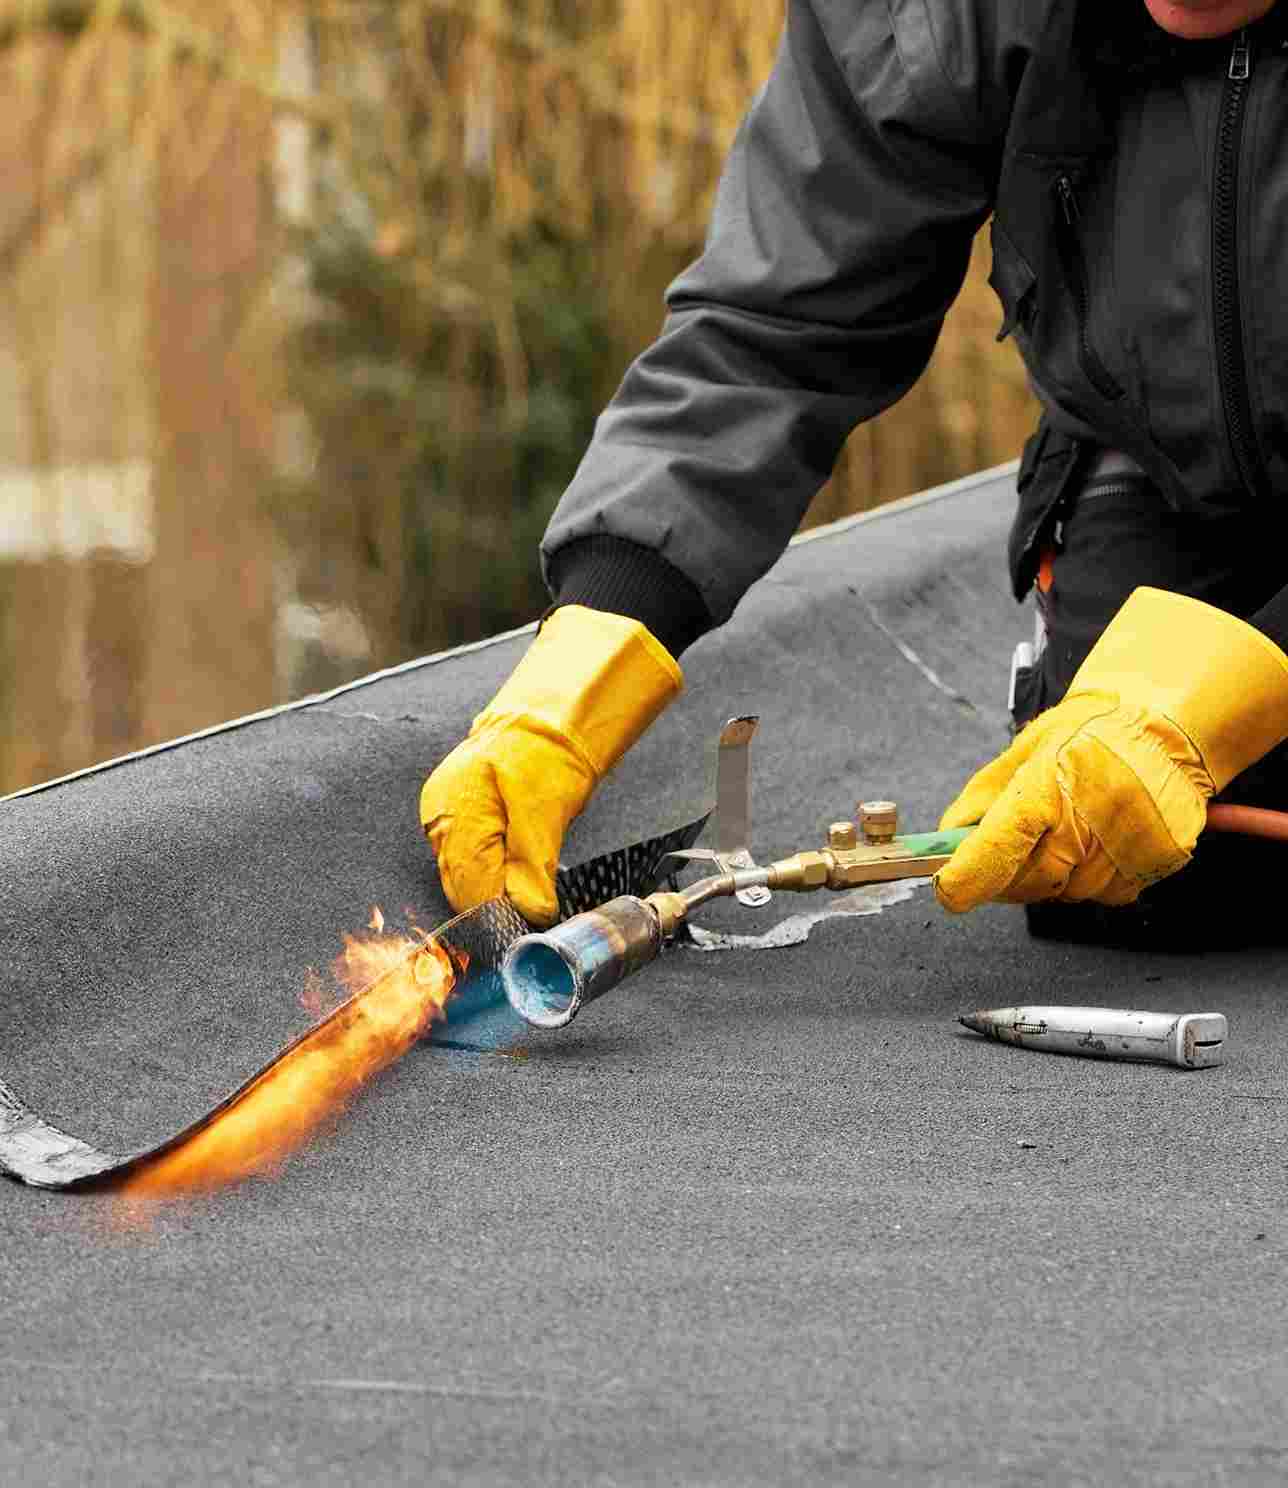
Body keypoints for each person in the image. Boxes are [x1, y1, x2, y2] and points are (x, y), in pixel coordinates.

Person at [421, 0, 1288, 937]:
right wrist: (590, 642)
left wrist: (1224, 698)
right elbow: (782, 323)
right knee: (1128, 877)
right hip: (1158, 462)